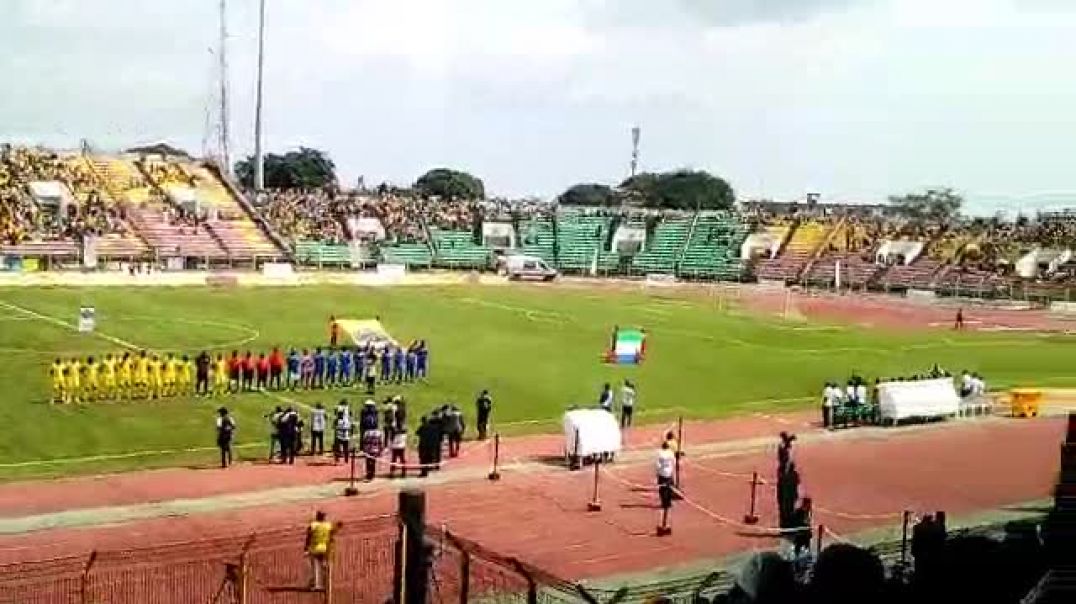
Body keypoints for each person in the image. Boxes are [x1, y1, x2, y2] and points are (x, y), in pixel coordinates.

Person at [305, 511, 335, 591]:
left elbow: (308, 537)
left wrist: (306, 548)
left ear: (317, 517)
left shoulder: (313, 526)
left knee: (315, 567)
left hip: (314, 549)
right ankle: (326, 583)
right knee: (323, 565)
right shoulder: (328, 526)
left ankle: (316, 584)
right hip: (325, 549)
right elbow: (331, 537)